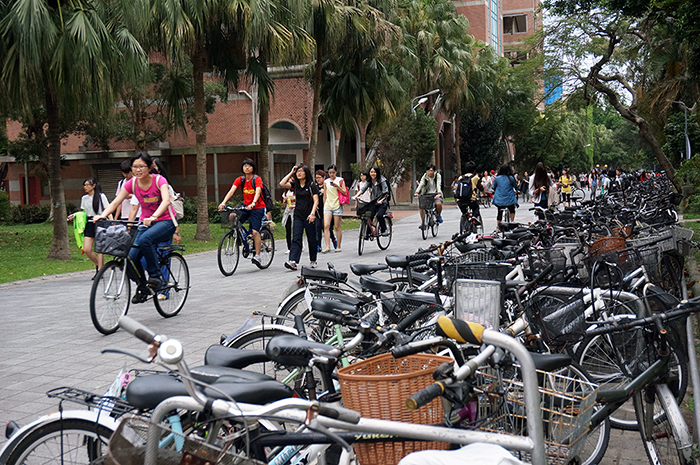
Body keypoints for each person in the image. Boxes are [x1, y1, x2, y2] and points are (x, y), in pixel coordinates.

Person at [94, 152, 177, 302]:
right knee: (131, 257)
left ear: (150, 167)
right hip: (146, 222)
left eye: (141, 167)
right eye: (134, 167)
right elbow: (115, 202)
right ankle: (143, 286)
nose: (137, 170)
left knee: (145, 240)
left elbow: (166, 201)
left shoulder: (159, 180)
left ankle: (155, 276)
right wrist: (103, 214)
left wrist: (153, 217)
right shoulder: (132, 183)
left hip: (165, 221)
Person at [218, 158, 266, 267]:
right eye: (245, 166)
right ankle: (238, 236)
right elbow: (231, 191)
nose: (247, 167)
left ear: (253, 168)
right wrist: (223, 202)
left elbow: (258, 191)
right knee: (232, 215)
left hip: (258, 207)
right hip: (245, 206)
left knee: (255, 232)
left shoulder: (256, 179)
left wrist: (253, 202)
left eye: (249, 166)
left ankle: (257, 256)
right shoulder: (240, 179)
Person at [68, 178, 110, 277]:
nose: (85, 187)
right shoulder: (84, 198)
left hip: (100, 222)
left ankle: (100, 271)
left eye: (88, 185)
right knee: (87, 249)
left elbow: (108, 209)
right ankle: (98, 265)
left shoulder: (101, 196)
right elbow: (83, 212)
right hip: (90, 223)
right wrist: (74, 215)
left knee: (99, 249)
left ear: (94, 186)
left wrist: (111, 222)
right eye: (84, 185)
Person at [280, 164, 319, 270]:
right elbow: (282, 183)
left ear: (306, 173)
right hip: (297, 215)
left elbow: (316, 201)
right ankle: (293, 261)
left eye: (301, 171)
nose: (299, 173)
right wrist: (291, 172)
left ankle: (313, 259)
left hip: (309, 216)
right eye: (298, 172)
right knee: (296, 238)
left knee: (311, 238)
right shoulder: (295, 185)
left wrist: (312, 214)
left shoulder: (311, 185)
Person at [353, 166, 390, 235]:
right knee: (369, 216)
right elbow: (363, 189)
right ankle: (368, 233)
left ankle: (384, 229)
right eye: (371, 172)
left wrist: (381, 200)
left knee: (379, 215)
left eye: (374, 172)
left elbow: (386, 192)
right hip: (374, 202)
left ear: (377, 173)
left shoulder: (382, 180)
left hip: (382, 202)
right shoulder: (369, 181)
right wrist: (356, 196)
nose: (373, 174)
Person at [322, 164, 347, 253]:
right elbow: (325, 194)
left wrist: (337, 186)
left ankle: (338, 245)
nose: (331, 174)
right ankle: (327, 246)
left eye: (333, 172)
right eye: (330, 173)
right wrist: (324, 204)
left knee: (337, 226)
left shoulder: (340, 180)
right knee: (326, 225)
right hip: (328, 205)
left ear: (336, 172)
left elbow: (344, 192)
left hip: (337, 205)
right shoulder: (326, 181)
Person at [314, 170, 336, 252]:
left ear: (324, 177)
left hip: (327, 209)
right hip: (317, 210)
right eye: (316, 178)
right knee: (317, 228)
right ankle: (318, 245)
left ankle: (333, 239)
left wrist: (325, 193)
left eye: (319, 178)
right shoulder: (315, 187)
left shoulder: (327, 185)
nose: (318, 179)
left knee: (326, 227)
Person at [281, 189, 295, 254]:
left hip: (295, 212)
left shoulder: (296, 191)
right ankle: (289, 247)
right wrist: (285, 200)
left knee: (295, 229)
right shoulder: (285, 192)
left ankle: (298, 245)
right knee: (288, 230)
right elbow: (284, 205)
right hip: (287, 213)